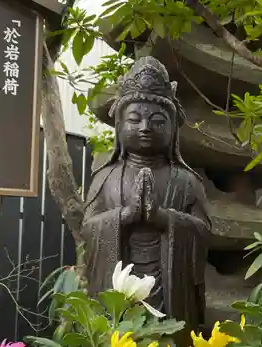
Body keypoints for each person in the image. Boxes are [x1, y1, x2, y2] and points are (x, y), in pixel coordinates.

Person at [82, 56, 211, 332]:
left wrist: (165, 218)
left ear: (173, 129)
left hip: (170, 287)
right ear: (119, 126)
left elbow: (204, 232)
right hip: (119, 281)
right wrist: (123, 217)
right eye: (134, 119)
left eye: (156, 120)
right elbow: (88, 228)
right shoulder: (105, 177)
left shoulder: (187, 181)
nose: (144, 127)